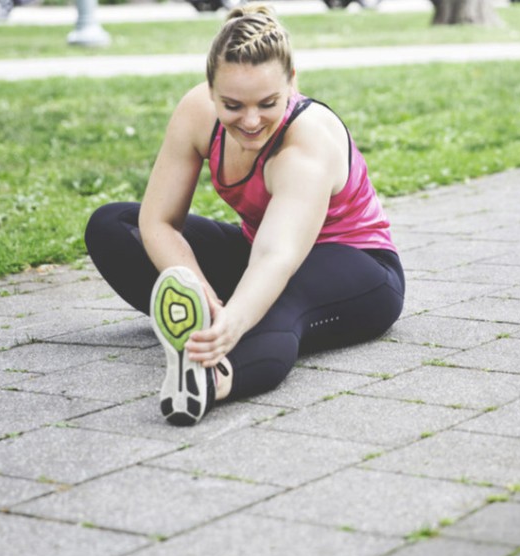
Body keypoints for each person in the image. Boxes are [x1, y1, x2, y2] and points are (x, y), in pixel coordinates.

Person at [85, 3, 404, 426]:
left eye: (268, 103)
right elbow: (157, 221)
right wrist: (196, 287)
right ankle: (205, 324)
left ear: (292, 81)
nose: (251, 120)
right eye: (232, 105)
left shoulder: (306, 143)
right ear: (211, 90)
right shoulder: (197, 112)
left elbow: (276, 258)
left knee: (278, 301)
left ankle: (209, 377)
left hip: (358, 268)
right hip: (260, 252)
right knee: (113, 225)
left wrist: (233, 321)